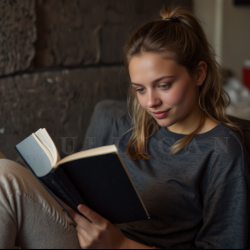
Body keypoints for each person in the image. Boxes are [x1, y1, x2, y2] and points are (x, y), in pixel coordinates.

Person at [0, 6, 250, 249]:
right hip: (81, 233)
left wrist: (120, 244)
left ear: (199, 73)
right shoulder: (136, 130)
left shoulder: (222, 151)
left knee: (6, 179)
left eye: (163, 85)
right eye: (140, 89)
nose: (150, 102)